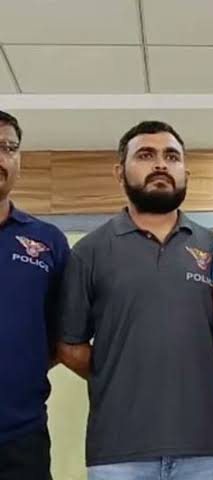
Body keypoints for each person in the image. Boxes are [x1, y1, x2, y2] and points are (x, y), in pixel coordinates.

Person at [57, 121, 213, 480]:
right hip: (118, 453)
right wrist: (120, 371)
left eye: (172, 156)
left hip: (206, 450)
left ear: (186, 173)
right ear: (119, 172)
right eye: (146, 155)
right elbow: (69, 346)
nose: (161, 164)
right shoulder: (89, 252)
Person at [0, 110, 69, 480]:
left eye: (8, 147)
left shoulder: (47, 241)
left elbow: (62, 336)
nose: (0, 157)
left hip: (22, 437)